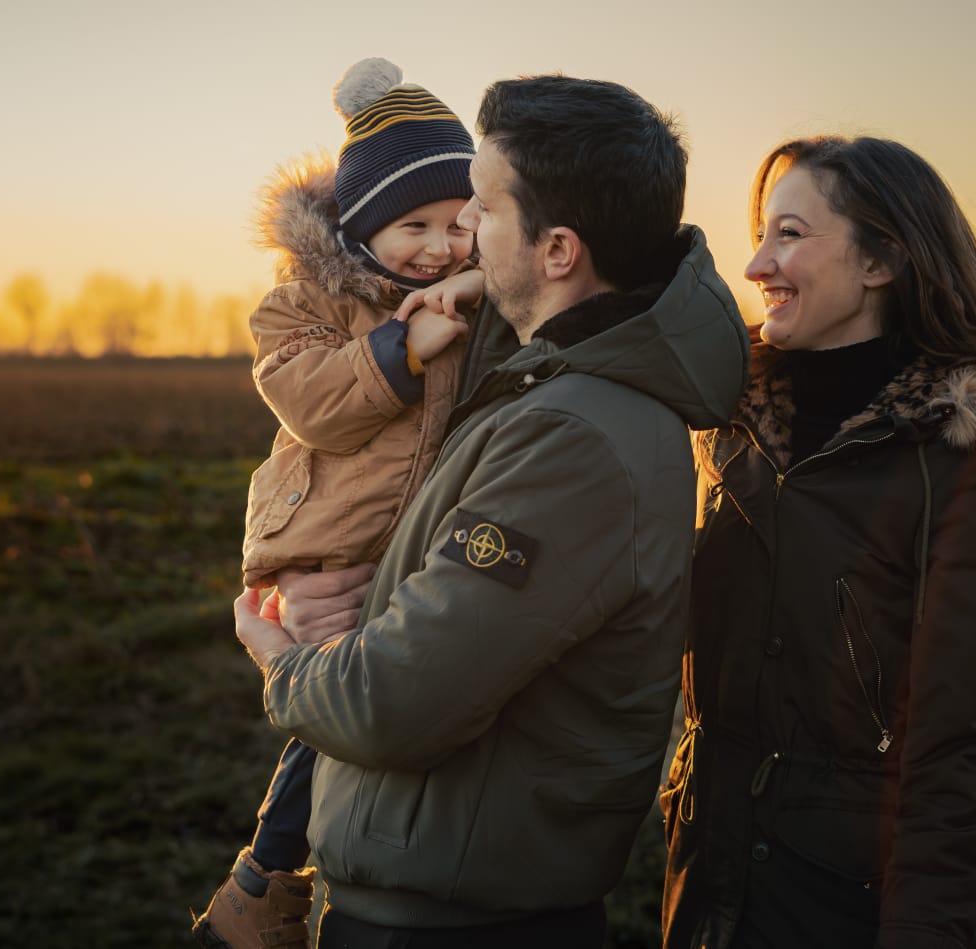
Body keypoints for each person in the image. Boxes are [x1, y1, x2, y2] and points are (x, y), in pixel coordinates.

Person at [233, 74, 749, 948]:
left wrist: (280, 655)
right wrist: (322, 583)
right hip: (427, 900)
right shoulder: (530, 379)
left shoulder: (574, 438)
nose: (460, 231)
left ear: (556, 251)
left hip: (462, 926)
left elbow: (395, 699)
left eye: (480, 206)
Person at [659, 136, 976, 949]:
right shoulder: (732, 428)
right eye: (761, 233)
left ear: (879, 261)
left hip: (839, 903)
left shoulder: (961, 464)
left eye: (789, 233)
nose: (755, 264)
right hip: (705, 881)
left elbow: (960, 746)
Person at [189, 58, 480, 949]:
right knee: (340, 718)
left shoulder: (471, 297)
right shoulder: (302, 303)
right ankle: (264, 881)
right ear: (358, 227)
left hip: (402, 543)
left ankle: (303, 875)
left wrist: (464, 297)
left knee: (370, 715)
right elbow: (314, 404)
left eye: (459, 224)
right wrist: (405, 343)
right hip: (325, 541)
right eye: (412, 226)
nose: (438, 247)